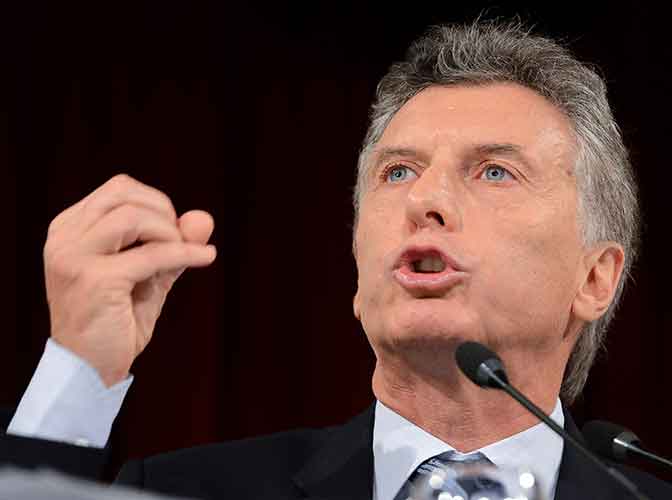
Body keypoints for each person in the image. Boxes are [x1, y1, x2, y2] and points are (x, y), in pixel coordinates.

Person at [2, 18, 671, 500]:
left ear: (594, 278)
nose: (425, 201)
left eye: (495, 172)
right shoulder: (183, 489)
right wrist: (80, 367)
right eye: (398, 172)